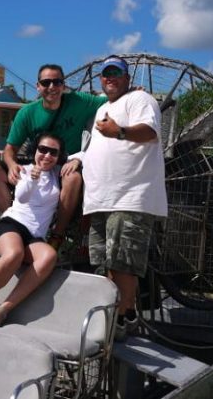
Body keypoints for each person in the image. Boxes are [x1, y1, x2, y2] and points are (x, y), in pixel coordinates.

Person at [70, 55, 168, 340]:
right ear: (101, 79)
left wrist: (121, 131)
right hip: (100, 200)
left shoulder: (140, 101)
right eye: (105, 74)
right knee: (105, 263)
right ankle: (114, 316)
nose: (110, 77)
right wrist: (77, 159)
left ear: (127, 78)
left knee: (123, 261)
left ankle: (124, 319)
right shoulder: (102, 109)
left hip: (129, 198)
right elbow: (94, 149)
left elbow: (150, 133)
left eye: (116, 73)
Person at [0, 64, 107, 246]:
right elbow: (10, 149)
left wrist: (132, 93)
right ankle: (13, 223)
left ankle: (57, 235)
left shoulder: (79, 101)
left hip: (65, 161)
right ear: (38, 86)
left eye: (57, 82)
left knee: (72, 178)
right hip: (36, 161)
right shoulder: (27, 112)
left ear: (63, 85)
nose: (52, 87)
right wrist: (11, 165)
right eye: (46, 82)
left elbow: (112, 100)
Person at [0, 133, 64, 327]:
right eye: (42, 150)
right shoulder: (24, 170)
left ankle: (4, 308)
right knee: (14, 253)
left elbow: (82, 156)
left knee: (49, 256)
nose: (47, 155)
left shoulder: (57, 175)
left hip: (35, 236)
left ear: (59, 156)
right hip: (12, 224)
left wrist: (76, 161)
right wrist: (32, 179)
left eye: (53, 152)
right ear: (35, 151)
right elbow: (23, 197)